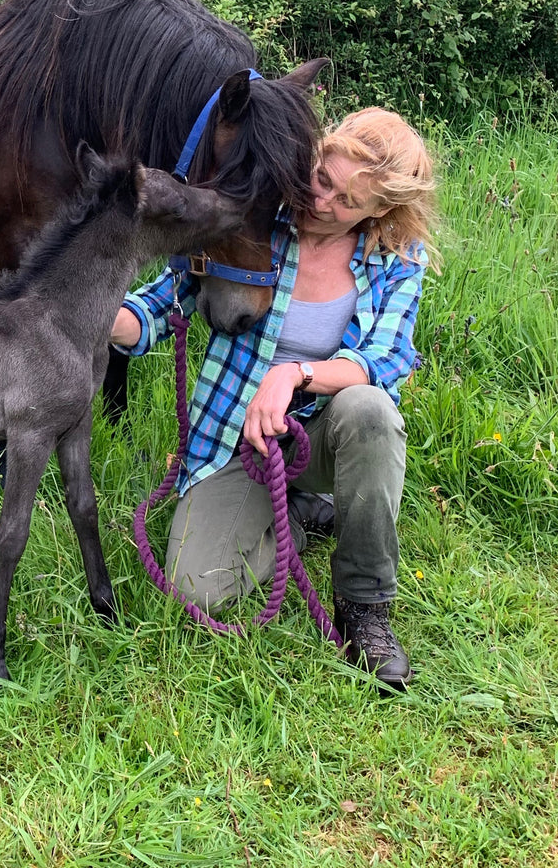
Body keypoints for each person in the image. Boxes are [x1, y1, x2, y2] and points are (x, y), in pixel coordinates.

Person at [110, 107, 438, 689]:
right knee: (200, 587)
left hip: (320, 435)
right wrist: (101, 316)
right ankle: (300, 520)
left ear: (379, 211)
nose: (323, 202)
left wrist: (293, 376)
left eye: (347, 202)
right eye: (323, 179)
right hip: (236, 442)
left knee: (372, 412)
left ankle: (365, 607)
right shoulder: (260, 220)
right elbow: (165, 299)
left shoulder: (395, 263)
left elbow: (382, 362)